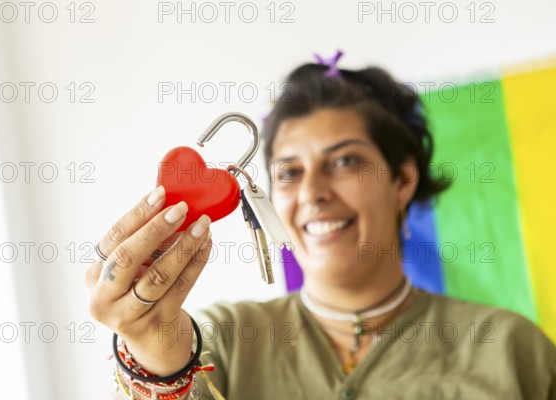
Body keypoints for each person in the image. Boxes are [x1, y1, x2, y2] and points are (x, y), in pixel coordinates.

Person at [85, 56, 556, 399]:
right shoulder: (224, 341)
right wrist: (151, 346)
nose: (312, 191)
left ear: (402, 179)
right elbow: (172, 368)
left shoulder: (513, 351)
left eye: (345, 161)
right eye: (289, 172)